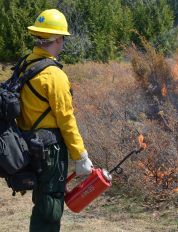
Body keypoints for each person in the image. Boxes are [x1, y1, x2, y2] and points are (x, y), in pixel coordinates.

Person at [17, 9, 93, 232]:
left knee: (42, 203)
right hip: (50, 151)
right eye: (62, 39)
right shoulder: (54, 75)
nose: (62, 44)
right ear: (57, 39)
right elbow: (66, 119)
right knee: (50, 207)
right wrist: (80, 156)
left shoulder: (26, 64)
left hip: (29, 145)